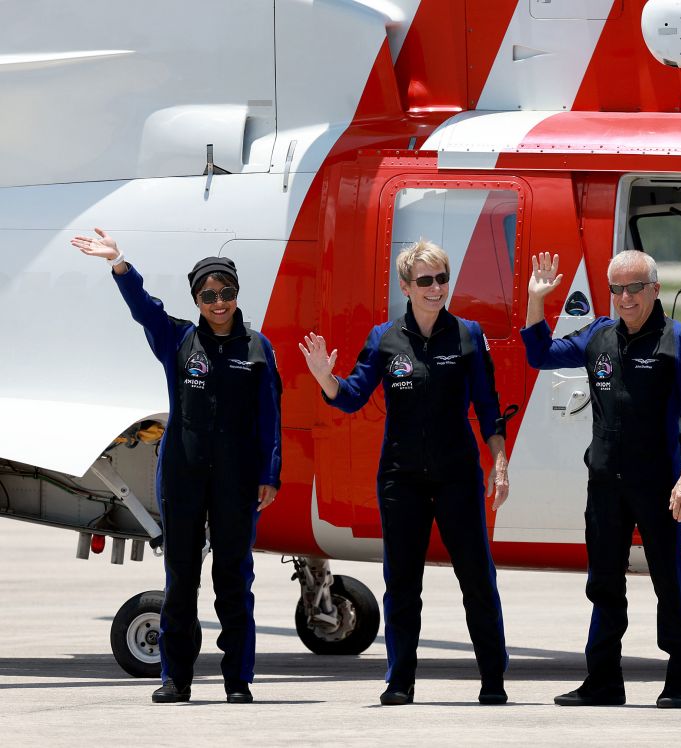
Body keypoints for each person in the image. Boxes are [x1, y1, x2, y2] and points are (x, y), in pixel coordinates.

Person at [71, 229, 282, 705]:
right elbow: (143, 308)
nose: (219, 302)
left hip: (236, 480)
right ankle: (175, 678)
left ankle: (237, 680)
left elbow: (271, 415)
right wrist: (119, 264)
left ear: (236, 294)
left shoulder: (257, 348)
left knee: (233, 577)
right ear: (197, 298)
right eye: (209, 295)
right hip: (183, 478)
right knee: (181, 578)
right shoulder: (178, 339)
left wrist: (269, 473)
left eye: (226, 292)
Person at [299, 239, 510, 706]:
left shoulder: (469, 336)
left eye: (442, 279)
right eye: (425, 281)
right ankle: (400, 681)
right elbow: (351, 395)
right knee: (402, 584)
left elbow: (489, 409)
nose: (436, 289)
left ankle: (493, 679)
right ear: (406, 286)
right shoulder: (385, 339)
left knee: (477, 579)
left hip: (457, 476)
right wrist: (323, 377)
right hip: (402, 479)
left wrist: (499, 462)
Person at [521, 249, 681, 709]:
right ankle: (603, 680)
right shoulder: (597, 336)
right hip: (605, 483)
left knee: (670, 581)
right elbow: (540, 354)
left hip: (660, 484)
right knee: (604, 583)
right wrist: (535, 302)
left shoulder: (680, 341)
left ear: (653, 289)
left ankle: (677, 679)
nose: (625, 298)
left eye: (634, 288)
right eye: (617, 289)